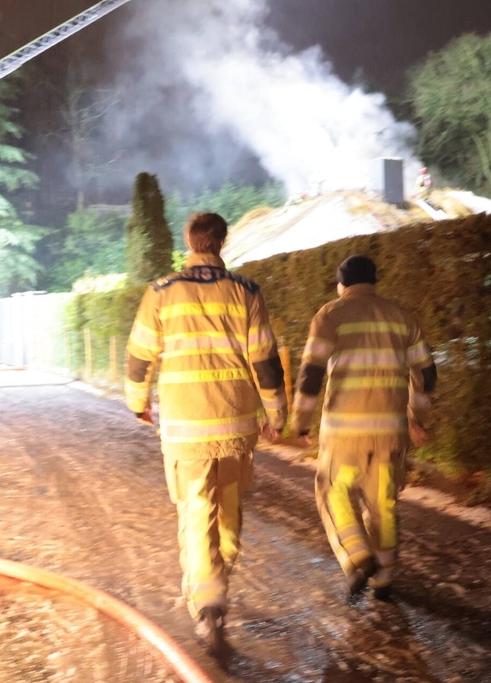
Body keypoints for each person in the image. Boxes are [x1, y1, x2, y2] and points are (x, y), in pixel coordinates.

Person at [125, 212, 288, 657]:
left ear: (189, 241)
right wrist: (277, 414)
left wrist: (137, 402)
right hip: (236, 427)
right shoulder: (246, 292)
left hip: (184, 428)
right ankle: (219, 578)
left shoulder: (161, 293)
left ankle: (209, 602)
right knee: (229, 509)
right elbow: (265, 362)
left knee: (197, 513)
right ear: (223, 242)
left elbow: (140, 355)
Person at [291, 255, 437, 602]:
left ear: (342, 285)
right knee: (382, 505)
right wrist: (417, 415)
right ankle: (383, 579)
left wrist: (300, 421)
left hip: (344, 433)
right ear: (374, 282)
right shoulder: (401, 317)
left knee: (332, 490)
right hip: (390, 433)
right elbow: (427, 372)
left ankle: (357, 558)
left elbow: (312, 373)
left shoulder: (331, 314)